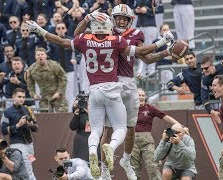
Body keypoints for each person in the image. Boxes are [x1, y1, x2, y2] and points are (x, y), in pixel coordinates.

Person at [26, 13, 173, 178]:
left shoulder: (84, 40)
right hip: (112, 90)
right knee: (120, 128)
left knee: (96, 130)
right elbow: (141, 51)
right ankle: (111, 148)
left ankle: (92, 152)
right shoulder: (116, 41)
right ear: (109, 26)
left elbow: (60, 41)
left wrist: (39, 29)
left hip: (94, 92)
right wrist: (162, 42)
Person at [72, 5, 174, 179]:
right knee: (108, 129)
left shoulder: (135, 35)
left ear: (129, 21)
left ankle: (125, 160)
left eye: (124, 19)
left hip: (128, 83)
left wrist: (167, 52)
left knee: (130, 127)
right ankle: (104, 169)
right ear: (112, 18)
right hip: (111, 84)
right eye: (118, 17)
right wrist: (163, 45)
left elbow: (147, 58)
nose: (120, 21)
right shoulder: (104, 32)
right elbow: (78, 36)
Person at [131, 88, 180, 180]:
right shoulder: (129, 109)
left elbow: (166, 117)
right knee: (133, 169)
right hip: (132, 142)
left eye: (143, 95)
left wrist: (180, 125)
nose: (141, 97)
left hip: (147, 142)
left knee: (153, 166)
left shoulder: (149, 108)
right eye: (139, 95)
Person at [1, 88, 39, 180]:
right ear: (13, 97)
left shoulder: (27, 109)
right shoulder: (7, 112)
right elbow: (3, 130)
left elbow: (36, 127)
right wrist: (18, 125)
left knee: (25, 167)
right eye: (19, 97)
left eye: (23, 97)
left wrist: (30, 124)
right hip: (16, 143)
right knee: (28, 168)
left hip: (29, 143)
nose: (22, 99)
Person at [26, 47, 68, 112]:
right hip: (44, 97)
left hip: (58, 96)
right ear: (35, 56)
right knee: (44, 118)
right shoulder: (32, 69)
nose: (40, 56)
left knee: (62, 116)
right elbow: (30, 83)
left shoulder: (54, 65)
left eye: (42, 54)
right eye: (38, 55)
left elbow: (63, 78)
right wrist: (33, 94)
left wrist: (59, 92)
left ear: (46, 55)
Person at [69, 93, 90, 162]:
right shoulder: (79, 112)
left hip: (94, 139)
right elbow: (72, 127)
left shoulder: (95, 111)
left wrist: (89, 112)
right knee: (80, 163)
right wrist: (76, 114)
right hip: (81, 140)